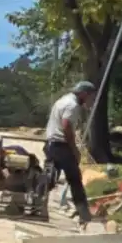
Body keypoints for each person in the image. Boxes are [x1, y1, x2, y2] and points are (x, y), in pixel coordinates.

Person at [44, 81, 95, 222]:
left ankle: (35, 201)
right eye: (90, 96)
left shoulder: (63, 100)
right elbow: (66, 126)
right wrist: (75, 149)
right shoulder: (72, 105)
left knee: (50, 177)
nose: (90, 99)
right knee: (74, 179)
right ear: (84, 93)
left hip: (51, 143)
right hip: (62, 146)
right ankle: (84, 214)